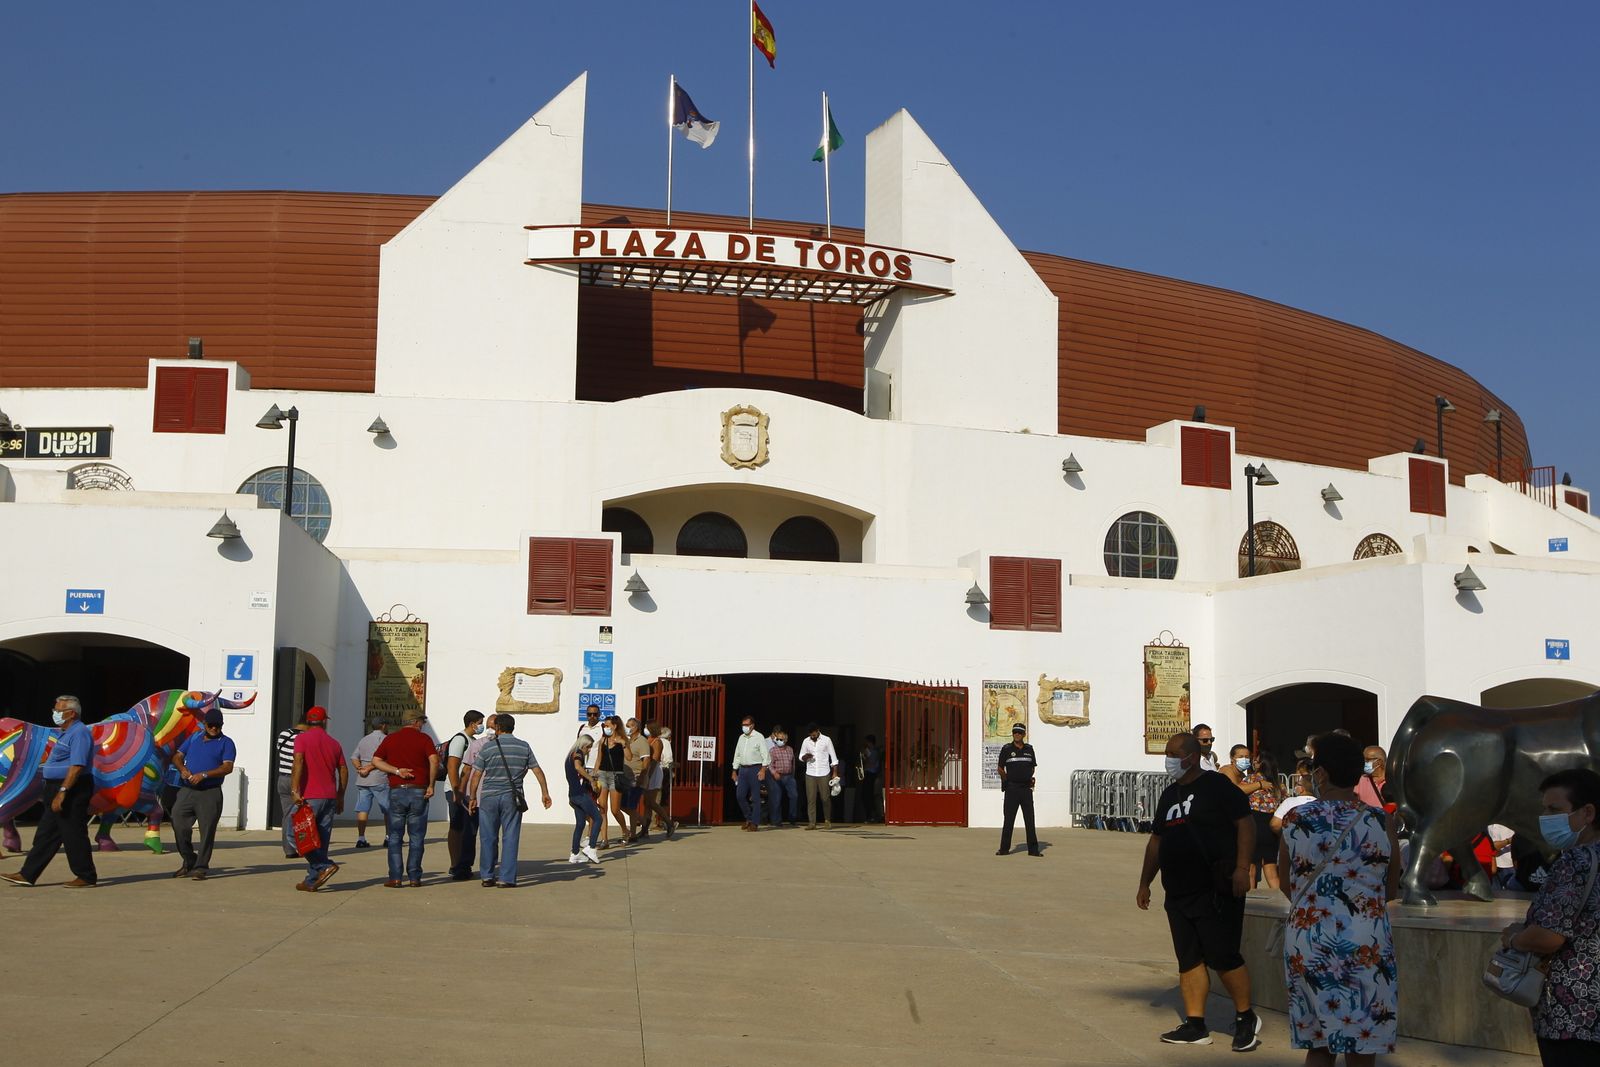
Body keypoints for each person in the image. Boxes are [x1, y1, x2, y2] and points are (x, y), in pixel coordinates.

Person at [1277, 732, 1399, 1065]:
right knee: (1362, 1043)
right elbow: (1391, 888)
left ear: (1321, 774)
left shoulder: (1295, 819)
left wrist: (1317, 906)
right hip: (1366, 939)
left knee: (1319, 1044)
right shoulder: (1379, 820)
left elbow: (1285, 881)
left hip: (1309, 939)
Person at [1135, 732, 1260, 1051]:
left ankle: (1246, 1017)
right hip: (1178, 890)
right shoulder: (1169, 795)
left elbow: (1245, 824)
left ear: (1190, 757)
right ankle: (1195, 1024)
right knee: (1188, 958)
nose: (1169, 760)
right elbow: (1156, 841)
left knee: (1222, 955)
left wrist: (1242, 868)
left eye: (1173, 754)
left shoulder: (1218, 787)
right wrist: (1145, 882)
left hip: (1215, 886)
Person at [1499, 767, 1600, 1066]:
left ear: (1588, 813)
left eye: (1555, 809)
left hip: (1574, 1013)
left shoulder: (1574, 862)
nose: (1545, 818)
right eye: (1544, 809)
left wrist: (1515, 937)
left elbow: (1548, 936)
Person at [2, 695, 99, 888]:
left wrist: (63, 791)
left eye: (58, 711)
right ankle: (27, 874)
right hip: (56, 786)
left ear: (71, 713)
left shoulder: (79, 733)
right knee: (46, 834)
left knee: (74, 833)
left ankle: (86, 876)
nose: (54, 714)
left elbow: (77, 766)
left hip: (71, 788)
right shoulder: (66, 732)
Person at [466, 714, 551, 888]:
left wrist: (473, 797)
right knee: (510, 837)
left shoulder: (488, 748)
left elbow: (476, 775)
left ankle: (487, 876)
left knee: (488, 837)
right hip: (513, 797)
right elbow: (537, 770)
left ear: (497, 728)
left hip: (489, 796)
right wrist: (545, 793)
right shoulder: (523, 746)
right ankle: (506, 878)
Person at [369, 707, 438, 888]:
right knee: (416, 836)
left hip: (397, 790)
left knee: (395, 836)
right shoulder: (424, 739)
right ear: (415, 722)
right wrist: (431, 784)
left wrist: (396, 771)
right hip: (418, 791)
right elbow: (434, 760)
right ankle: (414, 876)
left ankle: (396, 877)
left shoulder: (390, 739)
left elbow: (376, 760)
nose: (423, 725)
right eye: (422, 722)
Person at [168, 707, 236, 880]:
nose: (214, 728)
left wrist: (204, 774)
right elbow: (177, 756)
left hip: (210, 792)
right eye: (211, 725)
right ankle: (189, 859)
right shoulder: (194, 738)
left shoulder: (226, 742)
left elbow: (227, 767)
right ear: (205, 724)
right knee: (178, 822)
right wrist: (182, 768)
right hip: (187, 790)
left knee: (207, 831)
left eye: (218, 726)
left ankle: (201, 867)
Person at [289, 705, 346, 893]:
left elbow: (298, 762)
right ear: (324, 722)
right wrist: (340, 795)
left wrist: (295, 789)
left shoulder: (302, 739)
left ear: (307, 720)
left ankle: (323, 865)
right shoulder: (334, 743)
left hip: (309, 796)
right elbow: (343, 769)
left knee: (297, 835)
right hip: (329, 796)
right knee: (320, 838)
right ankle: (312, 879)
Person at [444, 710, 486, 881]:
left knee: (466, 829)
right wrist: (456, 790)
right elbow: (452, 766)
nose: (481, 726)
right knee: (457, 827)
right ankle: (455, 864)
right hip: (456, 791)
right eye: (480, 722)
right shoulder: (460, 740)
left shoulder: (472, 741)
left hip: (464, 791)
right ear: (472, 723)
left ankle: (460, 863)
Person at [996, 722, 1041, 857]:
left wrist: (1028, 777)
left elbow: (1032, 767)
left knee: (1030, 820)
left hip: (1026, 789)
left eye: (1020, 732)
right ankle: (1004, 849)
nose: (1017, 734)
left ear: (1024, 734)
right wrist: (1007, 779)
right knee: (1009, 820)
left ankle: (1033, 850)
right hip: (1012, 789)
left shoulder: (1029, 749)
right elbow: (1000, 768)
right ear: (1012, 733)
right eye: (1015, 732)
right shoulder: (1007, 749)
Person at [348, 721, 390, 849]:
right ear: (383, 725)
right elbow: (385, 759)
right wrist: (369, 768)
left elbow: (354, 757)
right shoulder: (386, 739)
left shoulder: (364, 739)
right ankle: (388, 837)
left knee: (362, 809)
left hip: (363, 780)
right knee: (388, 809)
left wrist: (360, 768)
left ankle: (361, 838)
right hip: (379, 778)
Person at [1245, 752, 1284, 889]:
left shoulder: (1251, 779)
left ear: (1261, 763)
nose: (1253, 763)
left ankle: (1250, 903)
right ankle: (1281, 901)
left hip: (1253, 823)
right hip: (1270, 826)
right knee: (1271, 869)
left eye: (1256, 761)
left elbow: (1237, 790)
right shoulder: (1278, 784)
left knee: (1250, 869)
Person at [597, 715, 634, 847]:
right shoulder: (603, 740)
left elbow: (629, 757)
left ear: (615, 726)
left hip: (615, 776)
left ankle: (625, 831)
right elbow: (599, 759)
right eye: (604, 726)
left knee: (615, 809)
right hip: (602, 775)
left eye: (607, 725)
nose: (605, 728)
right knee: (602, 809)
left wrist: (624, 744)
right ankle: (604, 840)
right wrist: (594, 775)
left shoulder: (622, 740)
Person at [566, 737, 603, 865]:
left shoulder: (570, 755)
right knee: (598, 818)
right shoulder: (578, 753)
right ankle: (591, 848)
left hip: (573, 795)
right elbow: (577, 767)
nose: (589, 750)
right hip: (580, 794)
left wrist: (589, 775)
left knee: (580, 823)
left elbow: (576, 771)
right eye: (588, 747)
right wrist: (591, 780)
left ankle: (575, 853)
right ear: (584, 745)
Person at [273, 718, 306, 858]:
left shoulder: (283, 735)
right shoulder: (304, 738)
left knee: (287, 815)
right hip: (297, 780)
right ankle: (302, 846)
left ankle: (289, 850)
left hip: (282, 778)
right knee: (303, 815)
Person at [731, 715, 770, 830]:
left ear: (752, 725)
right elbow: (737, 754)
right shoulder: (741, 737)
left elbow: (765, 755)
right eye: (743, 725)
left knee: (756, 797)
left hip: (755, 769)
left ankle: (755, 823)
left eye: (747, 725)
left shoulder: (759, 737)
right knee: (740, 796)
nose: (744, 727)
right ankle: (748, 817)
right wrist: (734, 770)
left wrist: (763, 769)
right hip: (743, 769)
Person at [799, 722, 840, 830]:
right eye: (810, 735)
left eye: (814, 734)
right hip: (810, 773)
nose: (812, 737)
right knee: (811, 799)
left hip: (824, 772)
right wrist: (805, 757)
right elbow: (800, 756)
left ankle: (827, 820)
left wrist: (834, 773)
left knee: (825, 798)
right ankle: (812, 823)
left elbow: (833, 757)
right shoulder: (806, 741)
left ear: (818, 731)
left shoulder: (826, 740)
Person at [640, 721, 675, 839]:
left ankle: (669, 822)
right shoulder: (647, 740)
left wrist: (648, 775)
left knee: (651, 801)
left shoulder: (657, 742)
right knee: (646, 803)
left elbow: (655, 760)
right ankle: (645, 829)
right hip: (648, 771)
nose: (645, 729)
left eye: (646, 728)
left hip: (654, 772)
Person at [766, 726, 798, 827]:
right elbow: (769, 764)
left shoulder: (790, 749)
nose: (779, 740)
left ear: (785, 740)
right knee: (776, 798)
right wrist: (774, 773)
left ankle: (792, 819)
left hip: (789, 777)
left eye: (781, 739)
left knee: (794, 796)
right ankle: (776, 821)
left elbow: (793, 763)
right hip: (776, 776)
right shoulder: (772, 750)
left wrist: (793, 775)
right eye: (777, 739)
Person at [858, 734, 882, 823]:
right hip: (867, 773)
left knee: (868, 795)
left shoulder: (874, 752)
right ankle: (869, 815)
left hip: (871, 774)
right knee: (864, 795)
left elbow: (871, 763)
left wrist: (866, 758)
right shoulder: (869, 751)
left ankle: (872, 816)